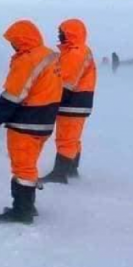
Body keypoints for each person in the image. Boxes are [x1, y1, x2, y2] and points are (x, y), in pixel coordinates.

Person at [0, 20, 62, 224]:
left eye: (13, 41)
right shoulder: (49, 54)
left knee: (22, 168)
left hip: (26, 122)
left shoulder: (28, 60)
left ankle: (22, 211)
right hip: (44, 122)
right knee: (29, 165)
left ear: (22, 40)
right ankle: (28, 206)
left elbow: (13, 95)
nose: (12, 46)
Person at [41, 19, 96, 184]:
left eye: (61, 31)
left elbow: (65, 81)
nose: (59, 34)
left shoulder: (75, 52)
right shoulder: (77, 50)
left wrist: (50, 101)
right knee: (73, 138)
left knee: (66, 139)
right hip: (78, 102)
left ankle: (60, 174)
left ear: (70, 33)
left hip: (73, 103)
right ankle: (71, 170)